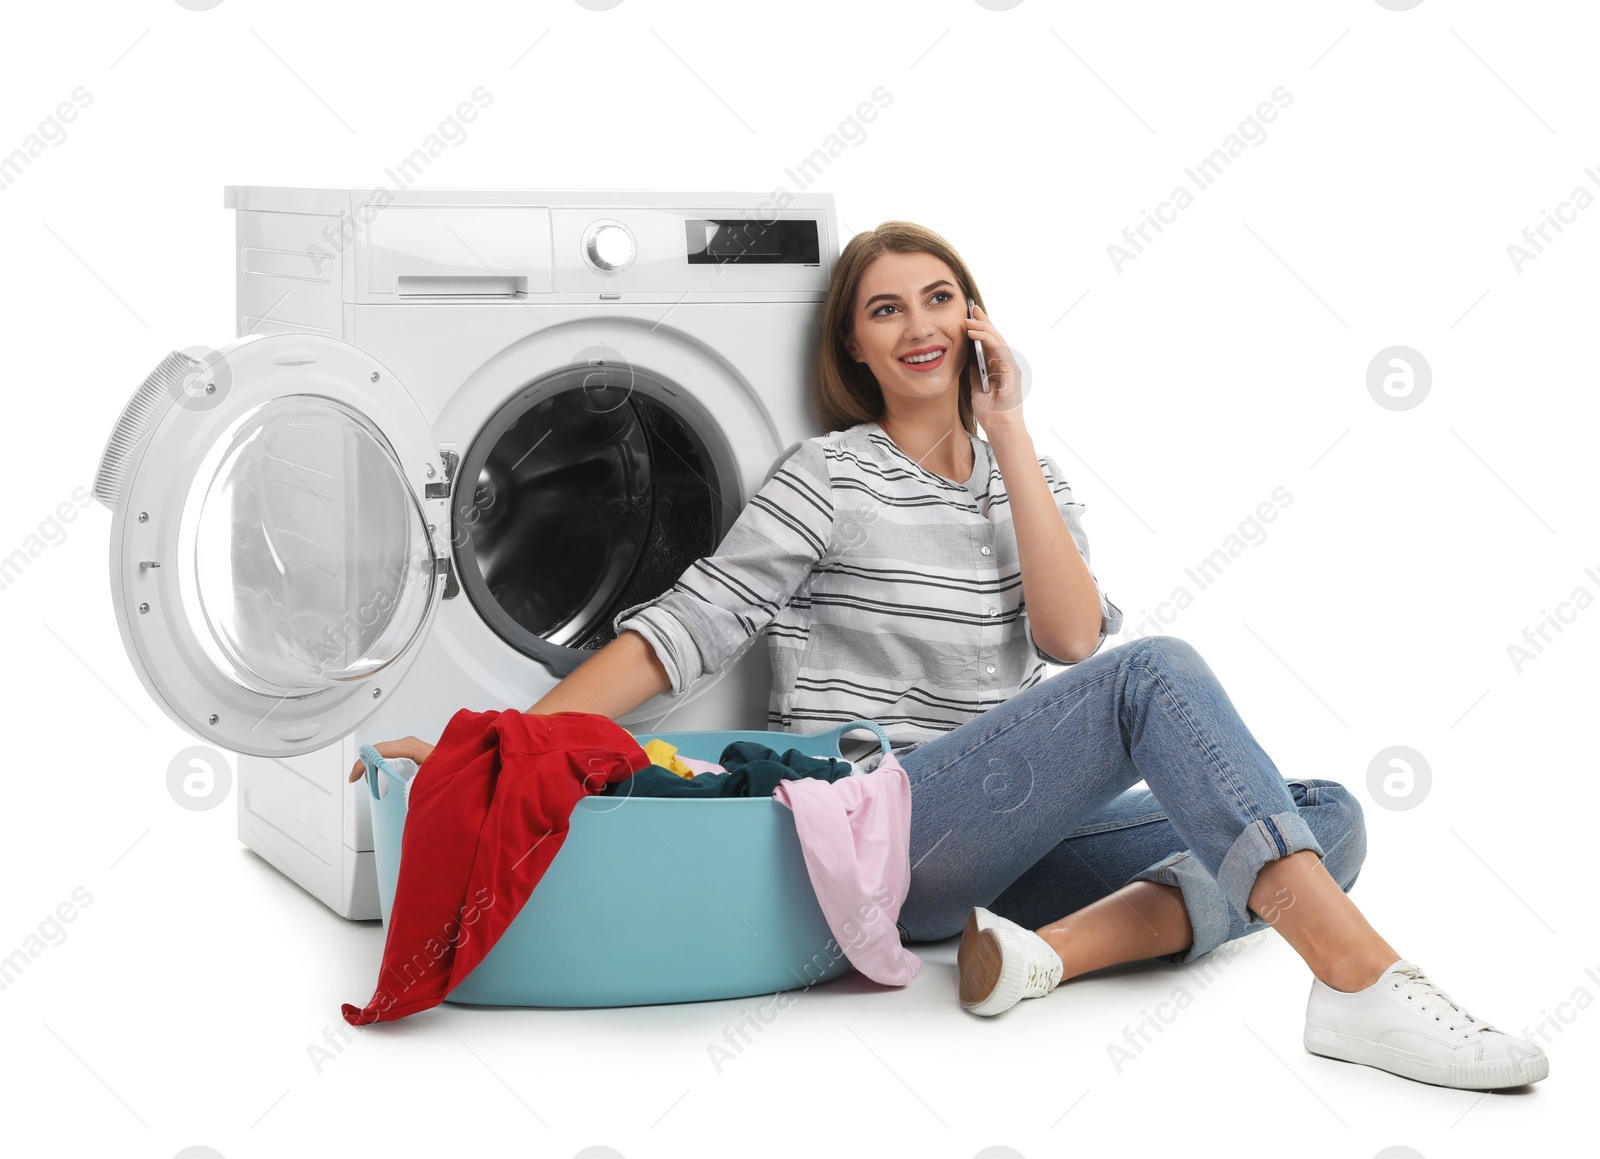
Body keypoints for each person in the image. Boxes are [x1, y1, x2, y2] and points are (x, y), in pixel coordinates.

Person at [352, 221, 1548, 1091]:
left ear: (972, 322)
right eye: (886, 310)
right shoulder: (825, 476)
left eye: (939, 298)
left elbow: (1066, 634)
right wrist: (501, 740)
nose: (918, 324)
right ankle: (1360, 988)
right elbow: (685, 627)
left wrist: (1011, 432)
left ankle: (1040, 957)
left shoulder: (1032, 481)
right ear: (858, 349)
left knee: (1325, 814)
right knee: (1157, 676)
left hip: (999, 840)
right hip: (882, 820)